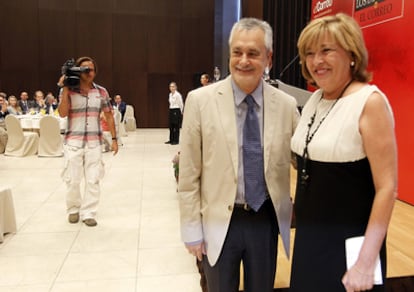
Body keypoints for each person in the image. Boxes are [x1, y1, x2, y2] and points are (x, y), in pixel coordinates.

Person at [178, 17, 298, 292]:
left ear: (268, 58)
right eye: (237, 52)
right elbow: (188, 175)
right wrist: (191, 230)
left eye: (253, 53)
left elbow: (302, 160)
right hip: (219, 222)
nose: (243, 60)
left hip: (264, 220)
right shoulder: (200, 101)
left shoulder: (286, 106)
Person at [290, 13, 398, 292]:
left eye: (326, 50)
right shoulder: (315, 98)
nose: (316, 61)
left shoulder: (369, 102)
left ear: (351, 54)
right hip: (310, 241)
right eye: (310, 53)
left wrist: (365, 262)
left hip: (350, 250)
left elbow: (387, 188)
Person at [58, 56, 118, 227]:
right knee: (73, 180)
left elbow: (108, 115)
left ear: (95, 71)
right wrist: (64, 90)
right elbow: (62, 113)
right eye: (84, 69)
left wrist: (114, 139)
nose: (88, 72)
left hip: (94, 142)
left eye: (91, 69)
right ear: (77, 71)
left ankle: (89, 212)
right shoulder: (68, 90)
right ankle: (73, 209)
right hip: (73, 142)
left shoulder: (101, 92)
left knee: (93, 179)